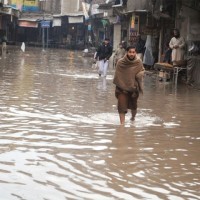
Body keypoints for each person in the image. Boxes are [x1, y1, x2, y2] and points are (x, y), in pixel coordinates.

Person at [113, 46, 145, 125]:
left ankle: (133, 118)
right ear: (127, 52)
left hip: (133, 89)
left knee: (133, 106)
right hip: (122, 88)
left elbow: (142, 71)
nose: (131, 54)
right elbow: (118, 76)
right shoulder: (120, 62)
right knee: (121, 107)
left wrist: (140, 74)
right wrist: (122, 85)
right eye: (130, 52)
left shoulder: (138, 62)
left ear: (135, 53)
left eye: (133, 52)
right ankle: (122, 125)